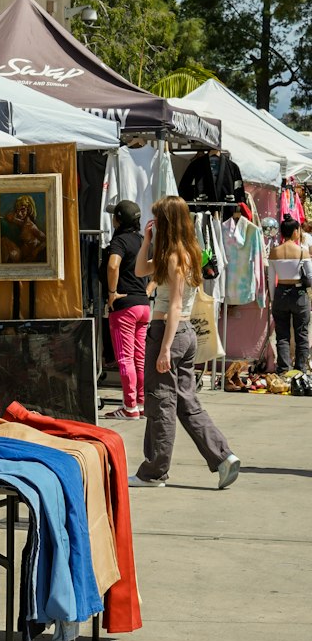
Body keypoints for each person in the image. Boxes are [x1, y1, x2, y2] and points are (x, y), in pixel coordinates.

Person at [129, 194, 240, 490]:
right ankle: (223, 456)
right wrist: (146, 240)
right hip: (183, 333)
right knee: (186, 402)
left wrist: (164, 348)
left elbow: (175, 305)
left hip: (169, 331)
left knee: (160, 403)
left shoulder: (175, 256)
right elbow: (140, 271)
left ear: (167, 222)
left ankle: (153, 472)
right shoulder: (185, 252)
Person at [102, 199, 151, 420]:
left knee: (125, 358)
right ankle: (140, 404)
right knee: (139, 358)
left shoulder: (119, 241)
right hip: (143, 305)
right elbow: (158, 267)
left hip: (124, 306)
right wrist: (147, 290)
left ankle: (129, 407)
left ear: (118, 220)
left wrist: (112, 292)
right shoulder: (143, 241)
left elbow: (113, 265)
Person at [268, 216, 312, 374]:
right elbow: (310, 276)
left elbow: (271, 279)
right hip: (299, 293)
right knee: (301, 333)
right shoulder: (302, 251)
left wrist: (273, 299)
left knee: (282, 335)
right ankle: (301, 370)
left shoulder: (274, 252)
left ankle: (283, 370)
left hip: (280, 292)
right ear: (295, 231)